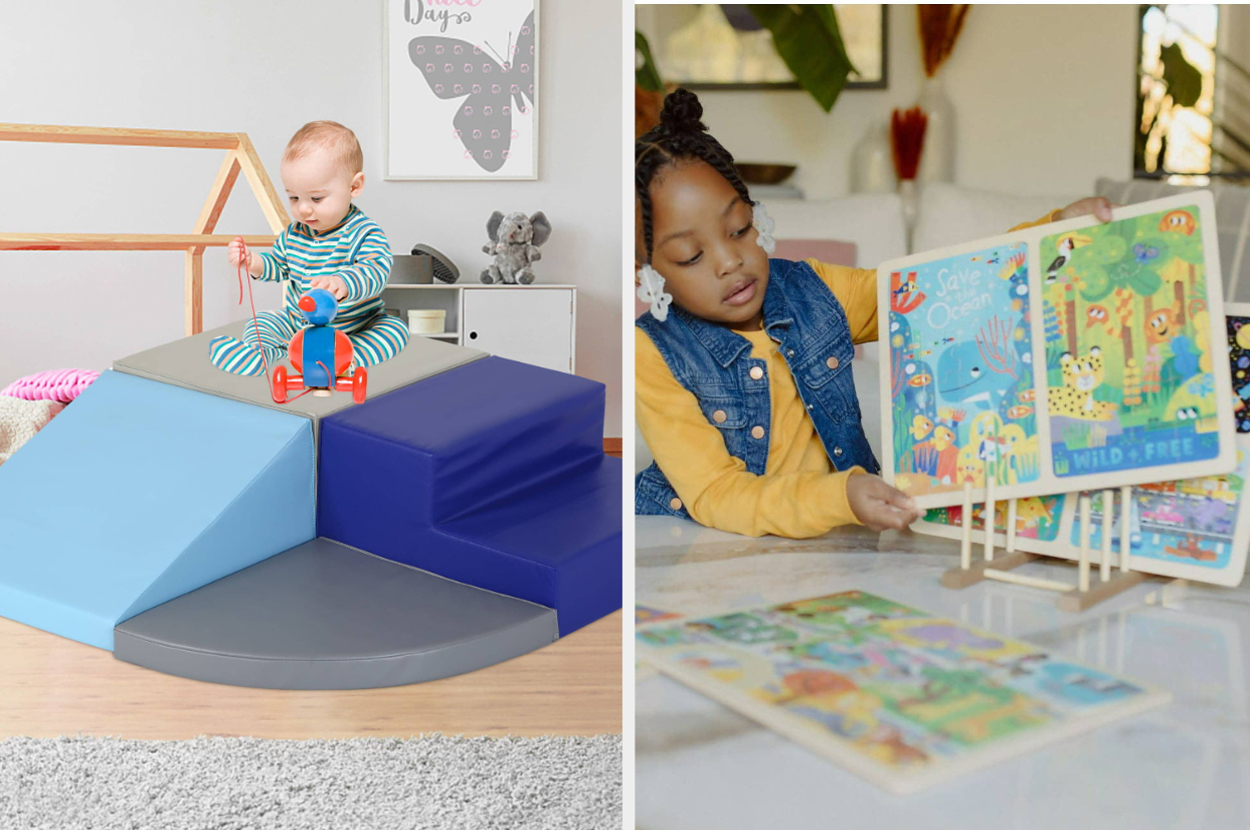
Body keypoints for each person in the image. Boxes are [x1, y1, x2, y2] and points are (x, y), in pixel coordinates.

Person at [634, 89, 1114, 538]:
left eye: (739, 229)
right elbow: (717, 494)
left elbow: (941, 288)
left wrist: (1050, 234)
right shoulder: (651, 351)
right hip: (700, 540)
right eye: (691, 257)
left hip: (835, 539)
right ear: (649, 273)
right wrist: (838, 496)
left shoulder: (815, 290)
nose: (729, 261)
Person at [212, 120, 408, 376]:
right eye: (294, 197)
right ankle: (262, 355)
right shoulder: (294, 234)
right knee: (262, 322)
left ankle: (346, 360)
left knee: (394, 330)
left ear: (354, 187)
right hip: (299, 323)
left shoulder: (364, 232)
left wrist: (344, 282)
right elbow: (279, 265)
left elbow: (376, 271)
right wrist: (253, 262)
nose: (303, 208)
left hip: (356, 326)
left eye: (316, 198)